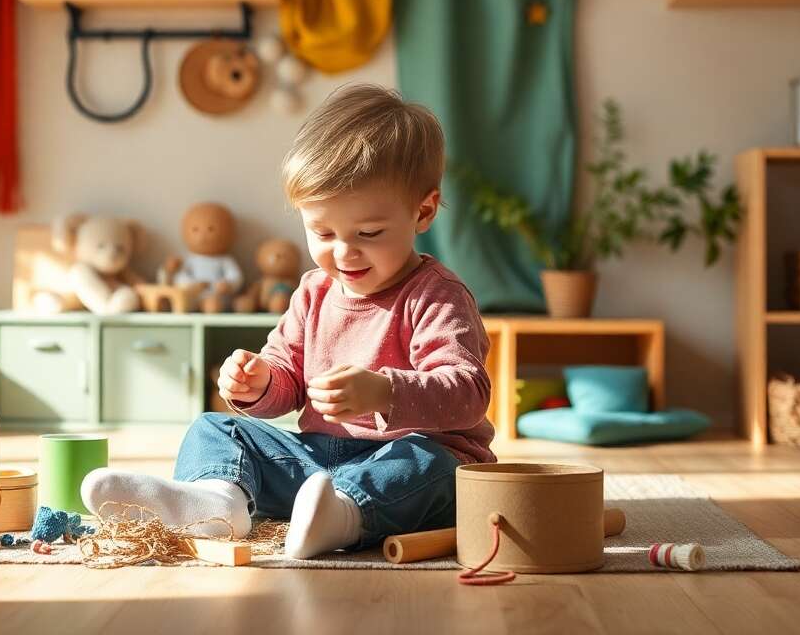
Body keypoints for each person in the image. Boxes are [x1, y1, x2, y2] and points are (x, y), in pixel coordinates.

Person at [82, 84, 494, 558]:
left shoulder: (436, 294)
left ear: (422, 212)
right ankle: (219, 502)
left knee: (434, 465)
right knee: (215, 428)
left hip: (405, 465)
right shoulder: (313, 291)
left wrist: (385, 392)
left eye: (369, 233)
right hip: (317, 462)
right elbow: (286, 379)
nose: (344, 252)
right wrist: (259, 382)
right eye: (323, 231)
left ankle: (344, 516)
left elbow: (468, 393)